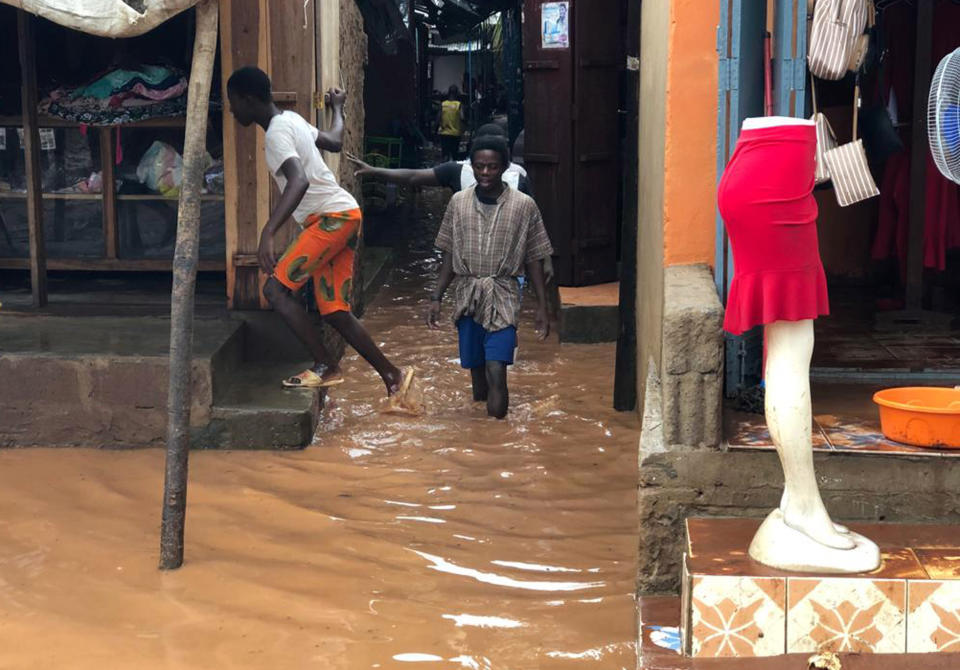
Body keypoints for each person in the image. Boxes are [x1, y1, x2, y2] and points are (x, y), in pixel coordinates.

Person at [225, 65, 407, 396]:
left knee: (276, 291)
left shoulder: (277, 134)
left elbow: (299, 180)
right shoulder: (291, 120)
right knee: (335, 310)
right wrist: (338, 108)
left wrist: (268, 231)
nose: (231, 110)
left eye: (232, 102)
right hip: (344, 215)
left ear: (247, 99)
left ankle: (325, 365)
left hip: (331, 219)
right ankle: (393, 376)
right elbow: (335, 141)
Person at [427, 136, 553, 419]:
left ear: (504, 167)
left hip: (504, 295)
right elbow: (449, 253)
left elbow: (534, 258)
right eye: (480, 167)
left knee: (497, 369)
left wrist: (542, 309)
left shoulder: (524, 206)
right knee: (477, 371)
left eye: (492, 167)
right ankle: (482, 438)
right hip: (467, 294)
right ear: (471, 166)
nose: (485, 173)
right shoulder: (458, 203)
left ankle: (497, 433)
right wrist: (436, 297)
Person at [436, 85, 464, 161]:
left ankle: (444, 170)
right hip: (456, 133)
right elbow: (462, 118)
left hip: (444, 133)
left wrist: (437, 130)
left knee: (445, 154)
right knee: (455, 155)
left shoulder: (443, 104)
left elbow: (438, 118)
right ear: (457, 94)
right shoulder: (459, 105)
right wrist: (462, 130)